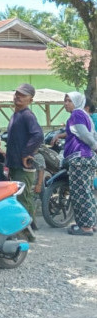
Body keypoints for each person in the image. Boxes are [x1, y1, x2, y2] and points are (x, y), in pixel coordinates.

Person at [5, 83, 43, 238]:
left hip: (24, 165)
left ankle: (28, 233)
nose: (18, 97)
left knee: (23, 198)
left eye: (23, 95)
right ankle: (26, 228)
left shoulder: (27, 115)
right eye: (17, 93)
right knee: (18, 197)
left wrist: (27, 153)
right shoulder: (16, 115)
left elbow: (38, 135)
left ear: (30, 100)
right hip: (14, 164)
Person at [62, 92, 97, 236]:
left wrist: (94, 146)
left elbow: (84, 134)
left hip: (79, 158)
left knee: (80, 192)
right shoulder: (84, 115)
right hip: (86, 157)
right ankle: (91, 223)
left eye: (69, 101)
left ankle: (86, 227)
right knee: (87, 191)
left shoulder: (76, 114)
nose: (66, 103)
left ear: (77, 102)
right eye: (65, 101)